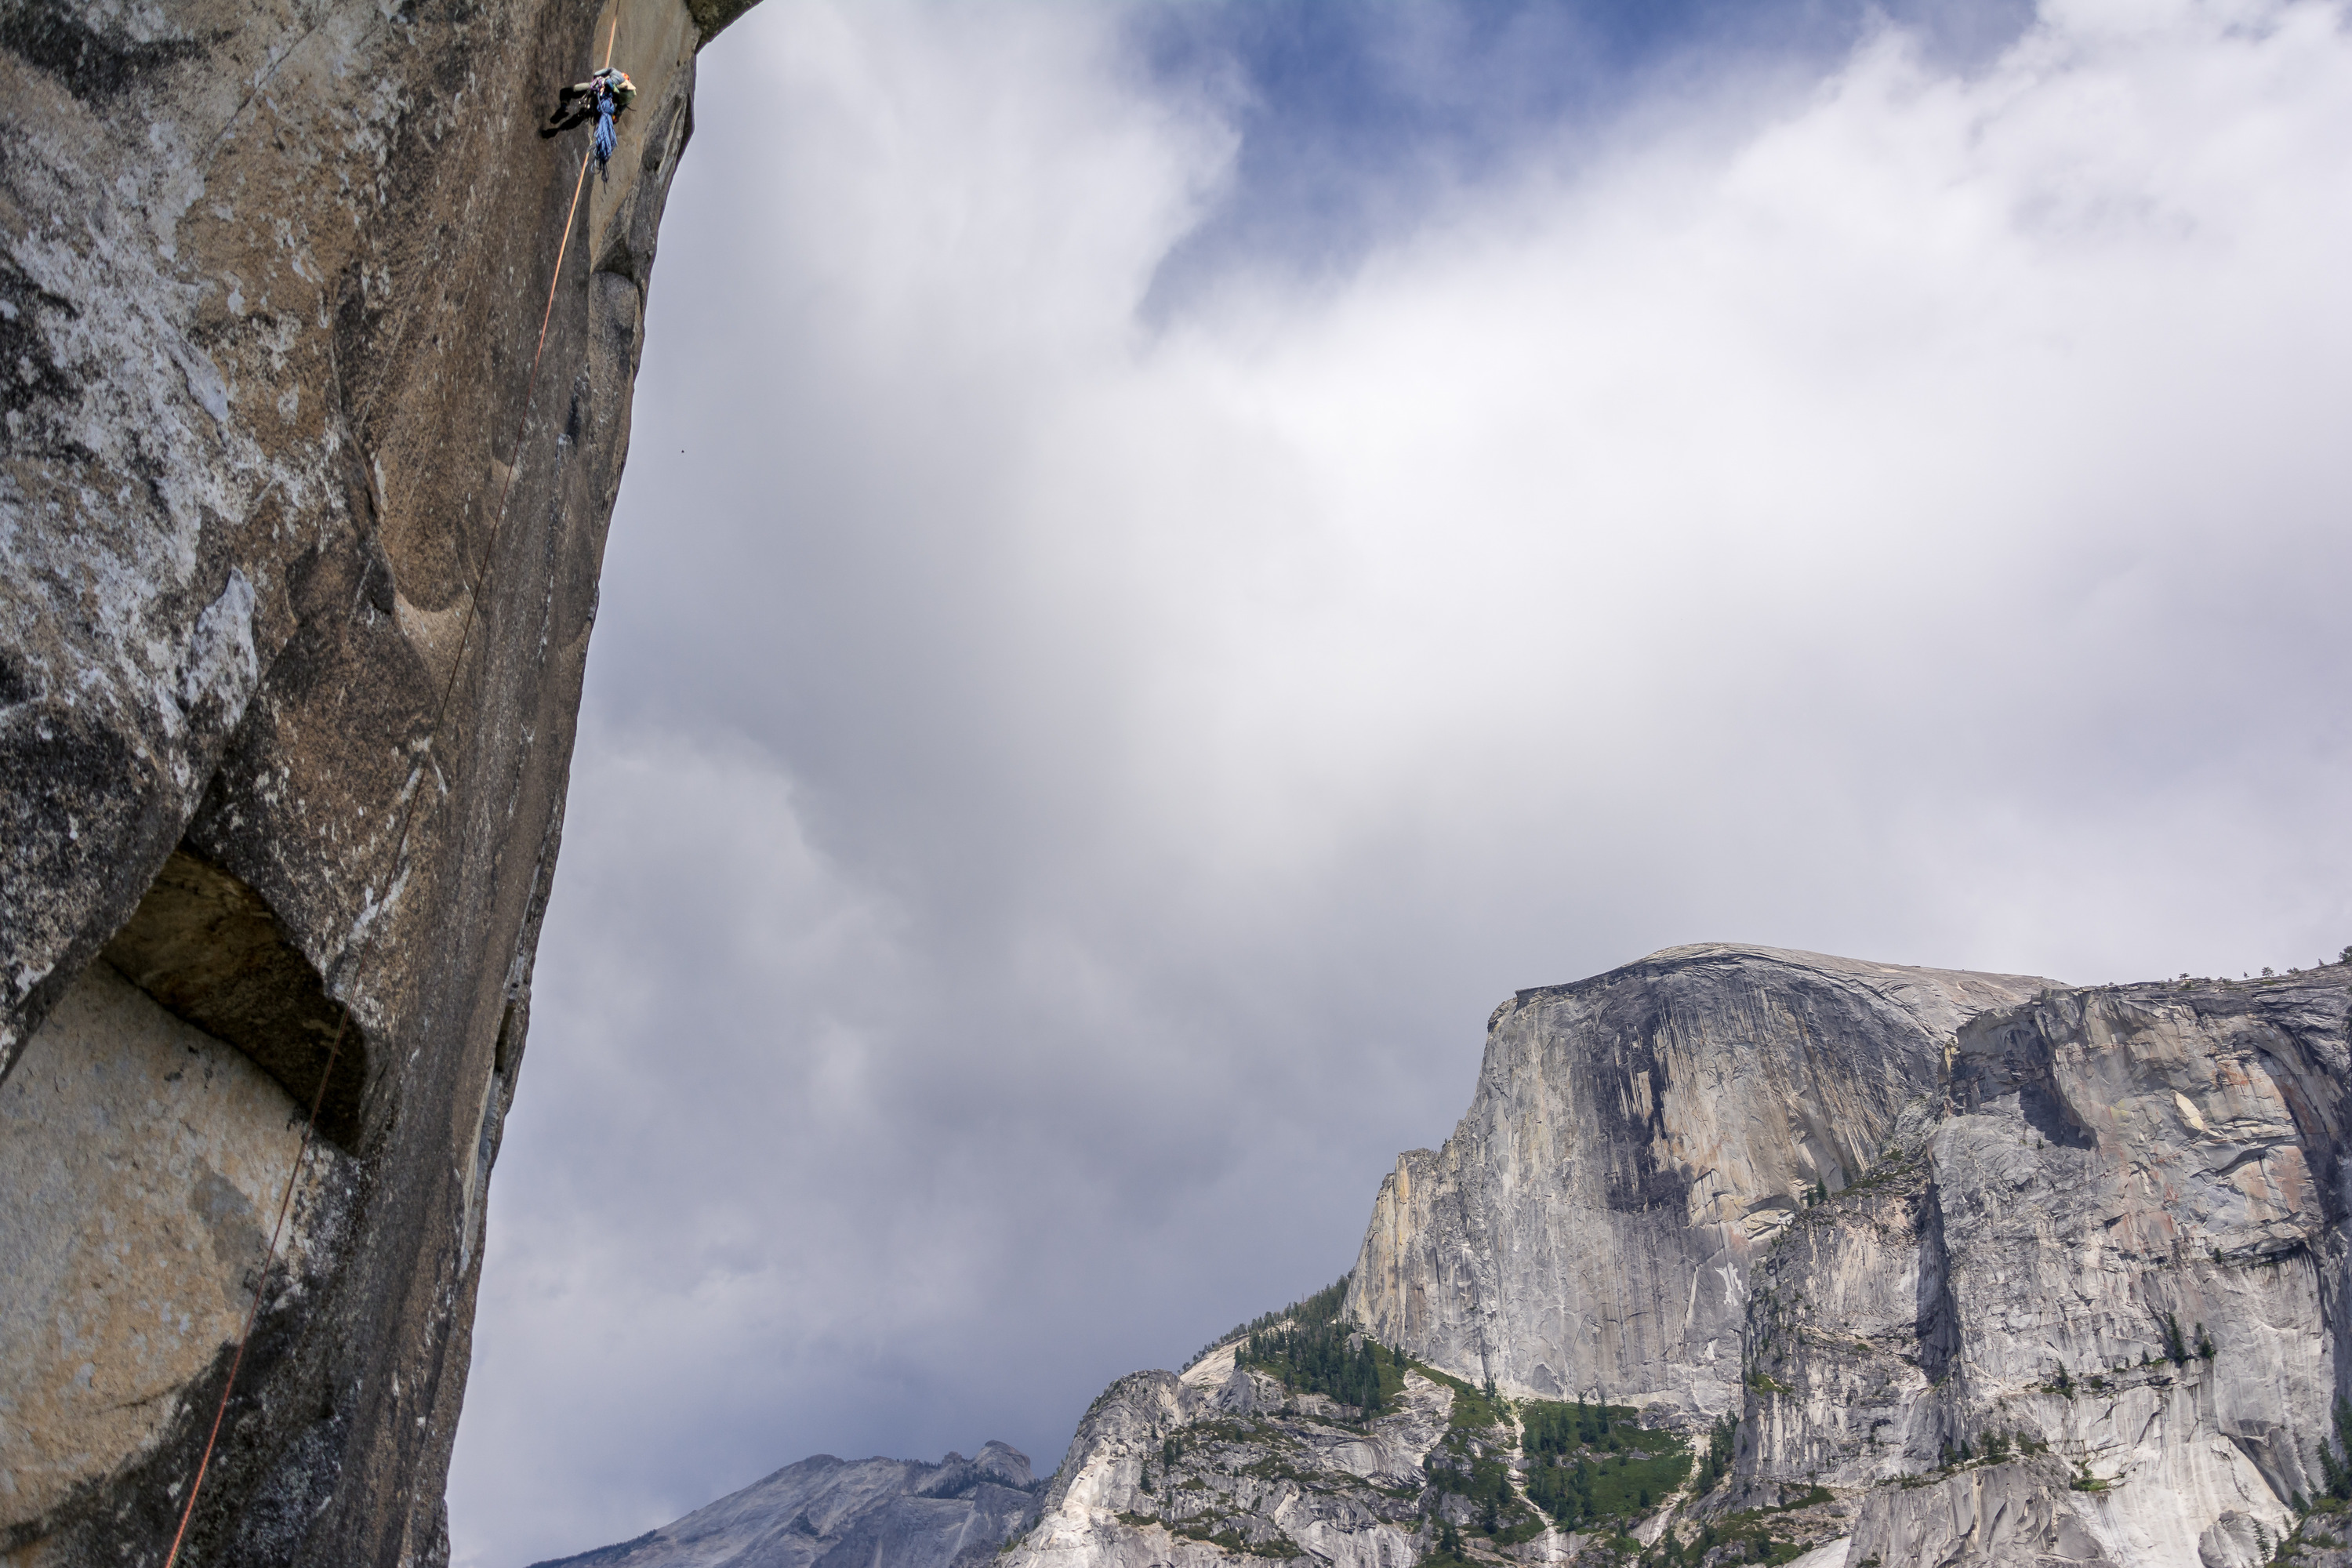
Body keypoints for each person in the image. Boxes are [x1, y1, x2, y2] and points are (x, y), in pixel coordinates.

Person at [540, 67, 637, 172]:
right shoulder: (627, 96)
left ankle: (563, 107)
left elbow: (596, 74)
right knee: (580, 117)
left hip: (593, 91)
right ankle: (557, 130)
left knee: (566, 92)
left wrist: (598, 81)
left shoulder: (615, 73)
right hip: (599, 108)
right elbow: (616, 116)